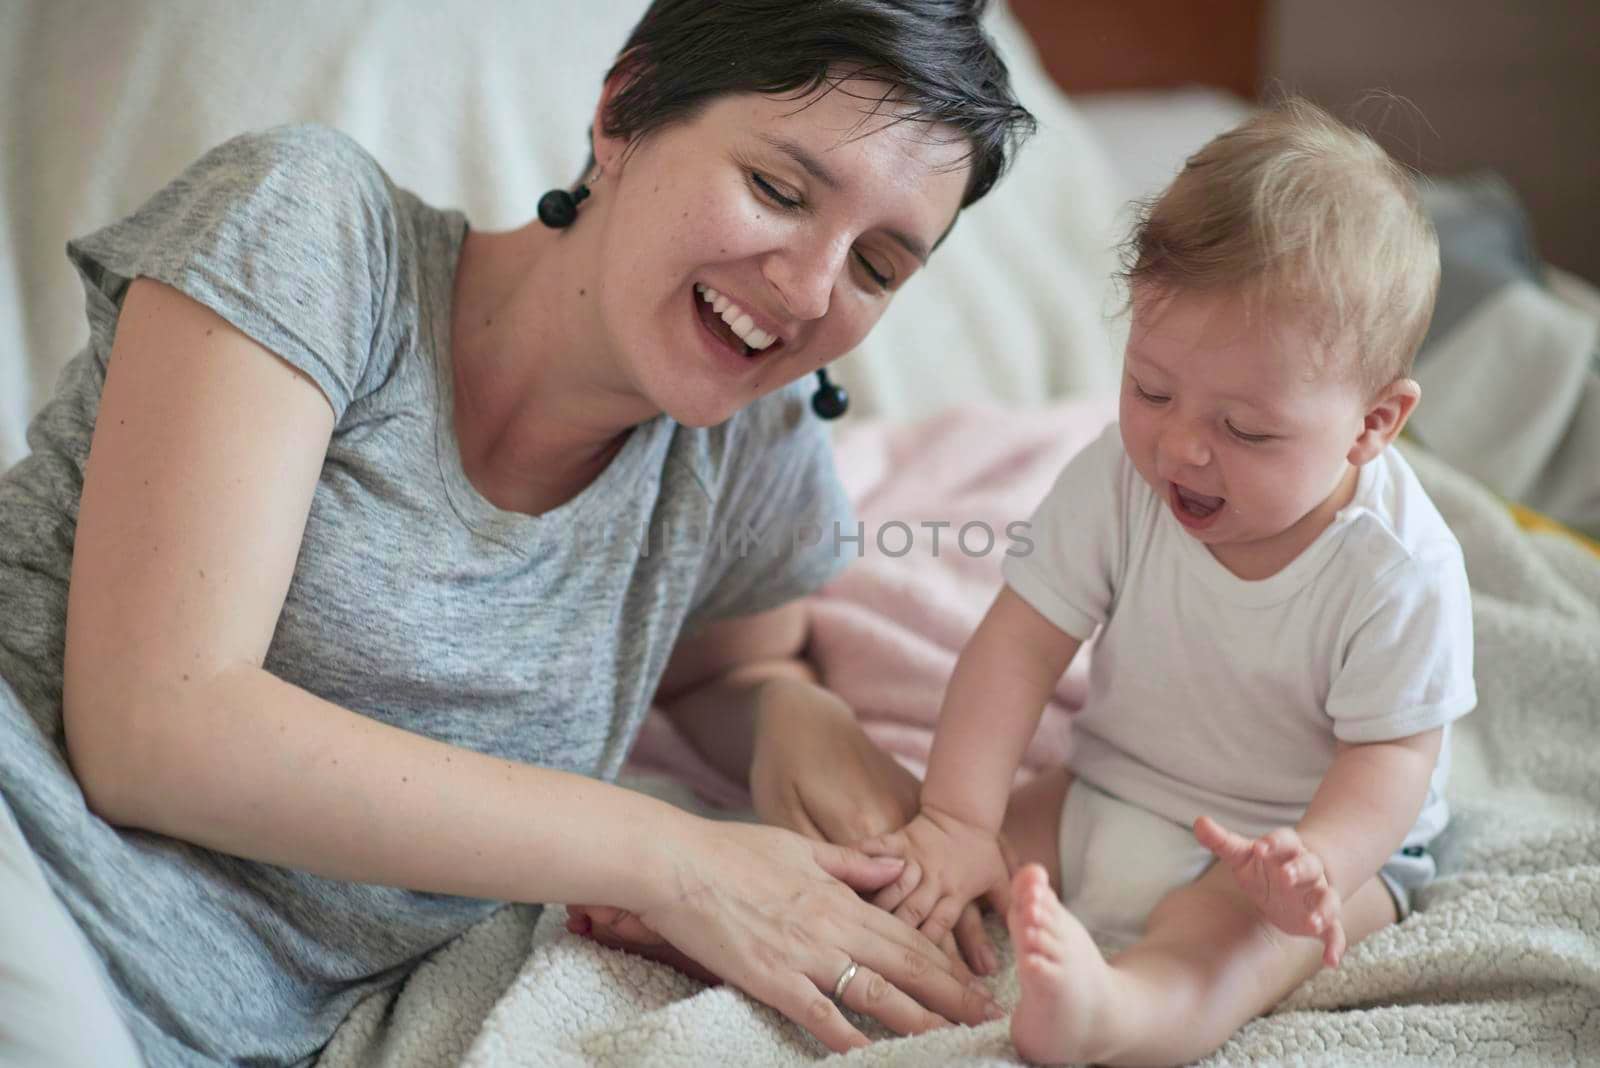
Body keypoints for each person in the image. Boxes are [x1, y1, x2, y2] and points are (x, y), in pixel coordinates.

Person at [0, 1, 1038, 1064]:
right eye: (776, 190)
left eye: (877, 267)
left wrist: (791, 716)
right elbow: (155, 728)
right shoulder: (314, 224)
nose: (811, 290)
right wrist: (673, 861)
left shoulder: (746, 451)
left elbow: (731, 670)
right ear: (623, 110)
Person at [858, 98, 1477, 1065]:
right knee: (921, 866)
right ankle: (789, 911)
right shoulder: (1119, 477)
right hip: (1103, 783)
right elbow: (1018, 648)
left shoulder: (1396, 571)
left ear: (1373, 425)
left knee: (1216, 949)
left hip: (1286, 847)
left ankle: (1118, 1016)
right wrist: (956, 819)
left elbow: (1392, 759)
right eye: (1151, 389)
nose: (1181, 447)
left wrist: (1318, 863)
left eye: (1246, 430)